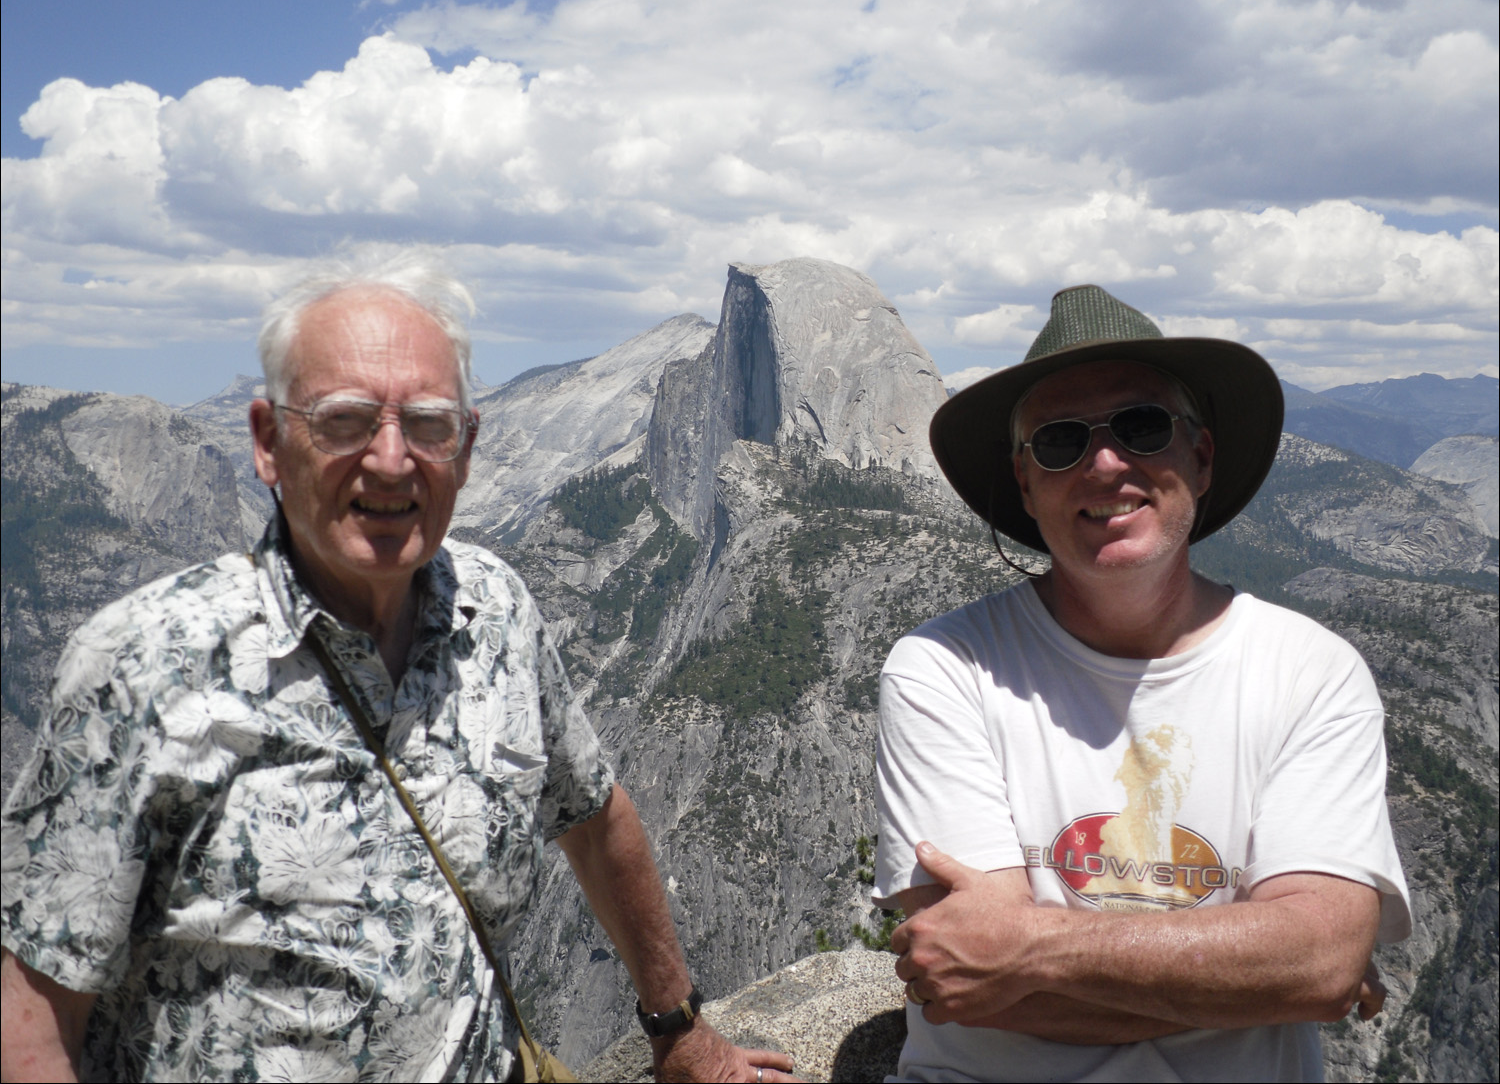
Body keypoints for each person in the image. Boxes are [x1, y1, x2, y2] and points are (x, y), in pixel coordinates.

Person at [0, 250, 796, 1084]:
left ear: (467, 444)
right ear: (269, 443)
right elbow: (31, 1019)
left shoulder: (499, 610)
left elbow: (596, 818)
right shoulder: (140, 662)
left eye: (427, 423)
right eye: (344, 421)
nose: (390, 460)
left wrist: (681, 1028)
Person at [872, 285, 1411, 1081]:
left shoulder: (1311, 671)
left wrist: (1026, 944)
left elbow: (1321, 961)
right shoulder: (942, 669)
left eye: (1141, 425)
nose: (1105, 462)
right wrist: (1260, 971)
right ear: (1025, 482)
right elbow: (969, 986)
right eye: (1059, 441)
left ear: (1201, 454)